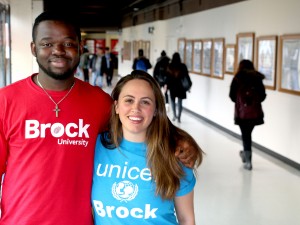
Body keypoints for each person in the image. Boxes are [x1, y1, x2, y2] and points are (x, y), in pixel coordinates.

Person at [0, 11, 200, 224]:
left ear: (79, 47)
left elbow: (137, 118)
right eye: (47, 44)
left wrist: (179, 139)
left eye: (68, 43)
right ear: (33, 48)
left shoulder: (99, 102)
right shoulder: (6, 101)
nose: (57, 51)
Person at [92, 70, 203, 225]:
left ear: (156, 109)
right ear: (116, 106)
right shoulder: (95, 147)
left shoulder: (175, 154)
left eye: (145, 102)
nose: (136, 108)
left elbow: (186, 219)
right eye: (129, 100)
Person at [229, 59, 266, 170]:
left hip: (242, 113)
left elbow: (231, 95)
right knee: (247, 135)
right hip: (255, 113)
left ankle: (248, 160)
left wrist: (242, 102)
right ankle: (245, 155)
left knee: (246, 135)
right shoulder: (257, 78)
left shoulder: (237, 78)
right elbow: (262, 95)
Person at [166, 52, 192, 123]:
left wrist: (167, 86)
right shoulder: (183, 66)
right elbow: (186, 76)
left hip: (172, 87)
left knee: (173, 102)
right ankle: (179, 117)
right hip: (181, 87)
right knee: (180, 102)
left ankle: (174, 115)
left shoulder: (170, 66)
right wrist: (189, 85)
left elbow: (167, 78)